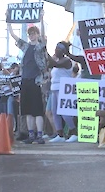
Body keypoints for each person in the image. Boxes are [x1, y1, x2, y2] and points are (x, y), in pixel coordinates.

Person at [7, 15, 48, 145]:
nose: (32, 36)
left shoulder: (40, 46)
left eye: (34, 33)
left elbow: (44, 36)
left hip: (36, 80)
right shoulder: (25, 46)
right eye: (30, 34)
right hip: (25, 80)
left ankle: (39, 135)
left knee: (37, 110)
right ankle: (31, 134)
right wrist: (8, 21)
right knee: (27, 110)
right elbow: (13, 35)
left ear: (37, 34)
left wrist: (41, 19)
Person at [47, 42, 78, 143]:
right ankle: (60, 134)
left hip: (63, 87)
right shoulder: (57, 60)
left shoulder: (66, 61)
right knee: (54, 112)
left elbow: (54, 64)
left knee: (64, 112)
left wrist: (44, 50)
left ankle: (74, 132)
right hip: (54, 87)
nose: (56, 50)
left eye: (58, 49)